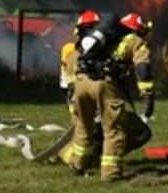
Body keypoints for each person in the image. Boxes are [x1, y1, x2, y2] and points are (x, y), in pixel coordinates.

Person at [67, 11, 157, 180]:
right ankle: (111, 173)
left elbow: (74, 61)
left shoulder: (102, 41)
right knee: (114, 129)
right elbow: (143, 68)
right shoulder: (134, 41)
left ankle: (78, 165)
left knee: (83, 126)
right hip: (104, 83)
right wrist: (147, 94)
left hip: (80, 81)